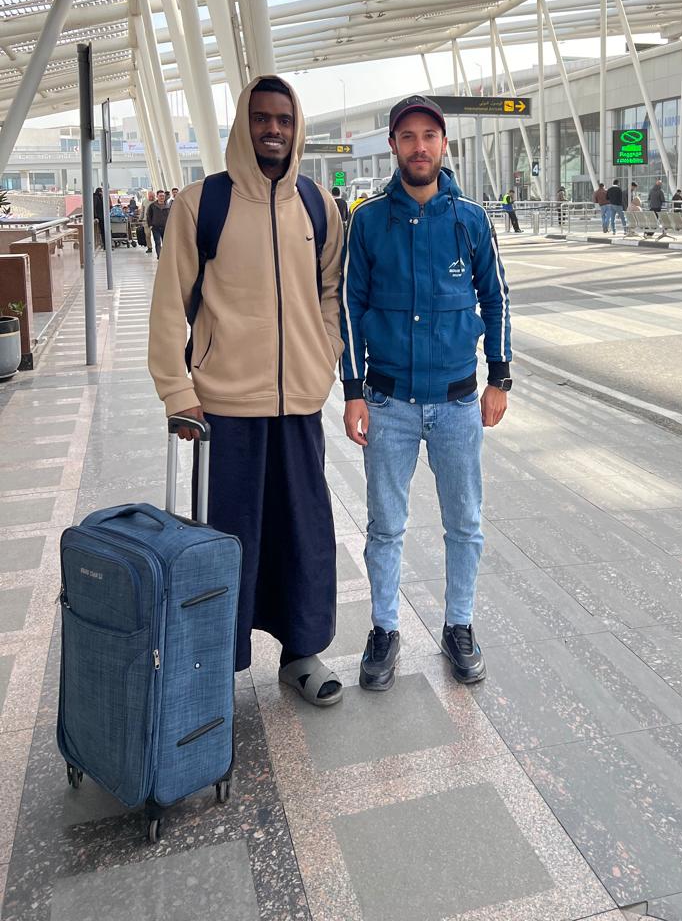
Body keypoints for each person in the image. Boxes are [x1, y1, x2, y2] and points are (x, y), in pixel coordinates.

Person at [148, 75, 346, 705]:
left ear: (296, 127)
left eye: (284, 120)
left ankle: (301, 652)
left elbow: (332, 292)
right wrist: (177, 390)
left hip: (299, 406)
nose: (273, 130)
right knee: (228, 542)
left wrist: (325, 354)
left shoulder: (316, 204)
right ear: (244, 124)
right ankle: (214, 665)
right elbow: (168, 305)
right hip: (227, 408)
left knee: (302, 535)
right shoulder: (201, 204)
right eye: (262, 118)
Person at [340, 94, 511, 691]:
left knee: (464, 523)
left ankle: (459, 625)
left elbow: (497, 297)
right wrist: (353, 390)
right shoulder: (367, 220)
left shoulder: (470, 219)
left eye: (429, 136)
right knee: (385, 526)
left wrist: (499, 377)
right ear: (393, 146)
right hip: (387, 403)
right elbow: (349, 307)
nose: (419, 147)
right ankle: (384, 629)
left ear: (444, 144)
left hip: (458, 402)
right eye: (408, 137)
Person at [145, 189, 170, 257]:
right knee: (157, 242)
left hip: (165, 227)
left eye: (163, 196)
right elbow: (149, 215)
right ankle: (159, 256)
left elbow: (171, 216)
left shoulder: (168, 206)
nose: (162, 197)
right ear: (157, 196)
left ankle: (165, 256)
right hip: (155, 227)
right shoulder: (152, 206)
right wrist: (150, 225)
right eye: (160, 196)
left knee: (165, 243)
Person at [93, 186, 105, 250]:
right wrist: (96, 217)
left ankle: (105, 245)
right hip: (99, 218)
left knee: (103, 231)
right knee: (103, 231)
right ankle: (105, 245)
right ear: (99, 192)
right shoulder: (96, 197)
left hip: (101, 217)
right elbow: (94, 207)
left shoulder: (98, 197)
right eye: (101, 192)